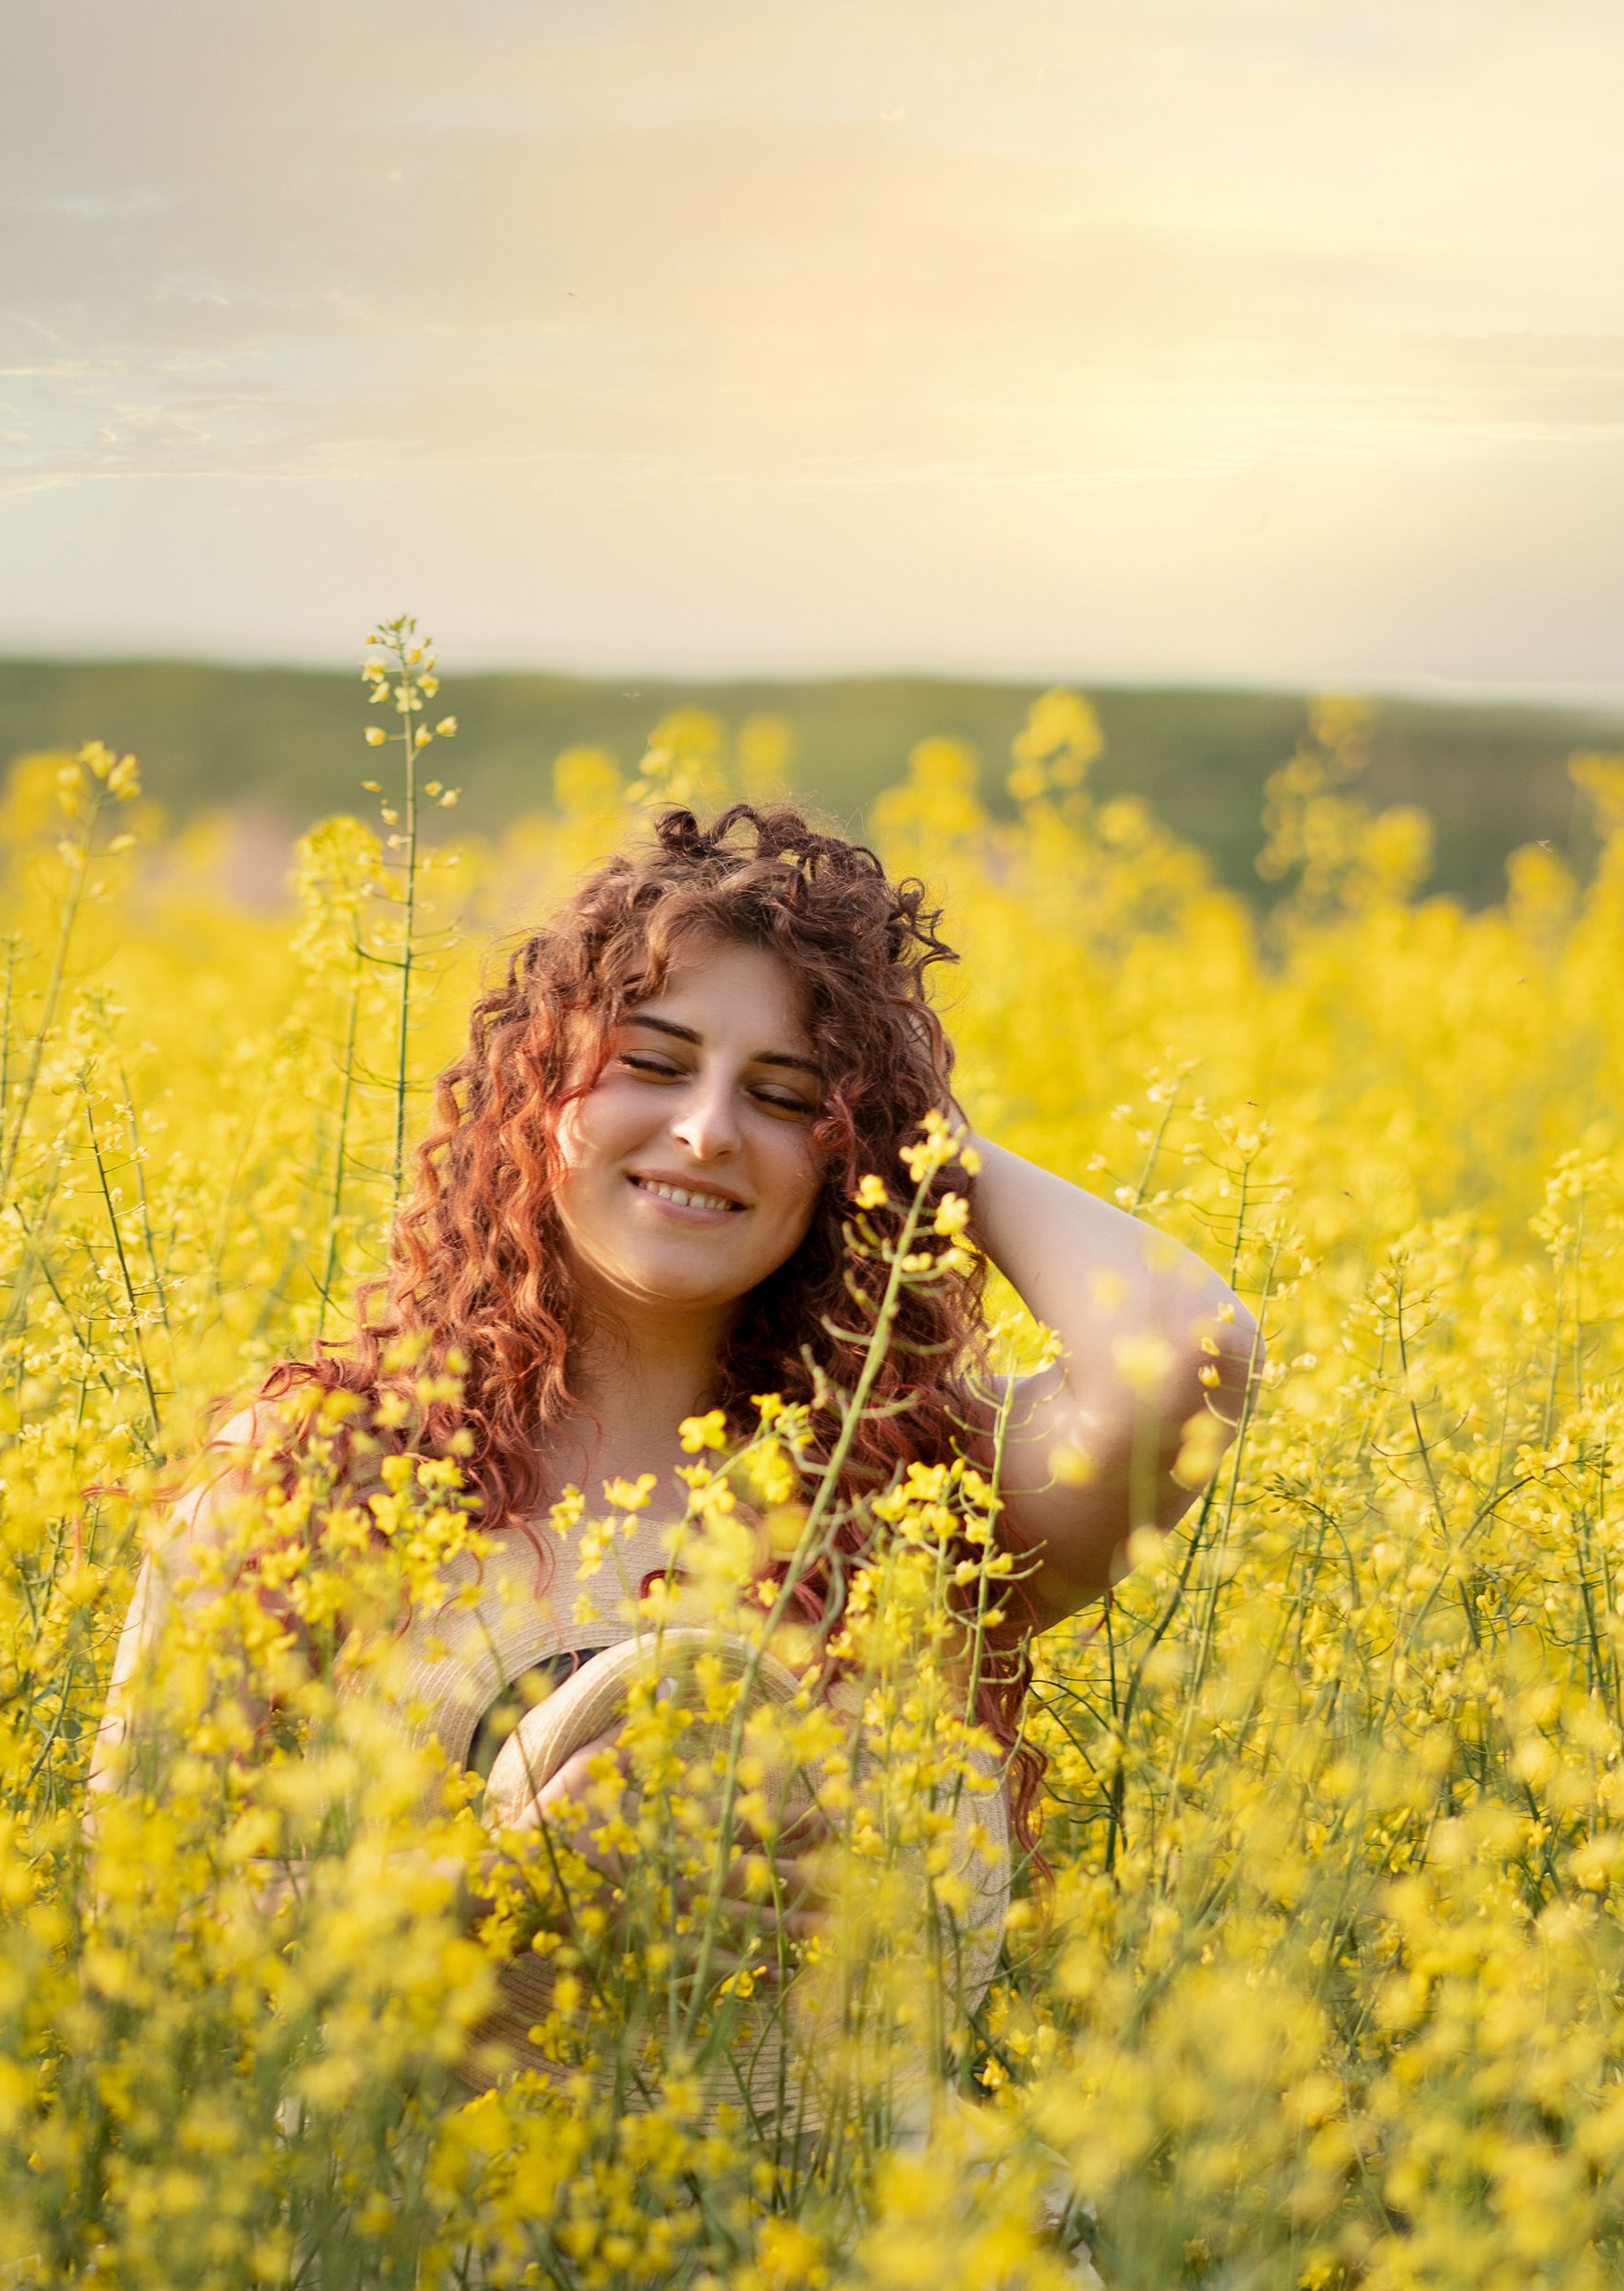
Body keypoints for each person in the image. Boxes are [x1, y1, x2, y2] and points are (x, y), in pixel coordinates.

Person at [90, 801, 1257, 2045]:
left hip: (871, 2227)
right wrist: (504, 1896)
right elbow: (141, 1918)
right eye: (650, 1063)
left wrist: (928, 1143)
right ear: (534, 1092)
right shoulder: (322, 1473)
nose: (706, 1129)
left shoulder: (919, 1492)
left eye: (785, 1095)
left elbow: (1194, 1349)